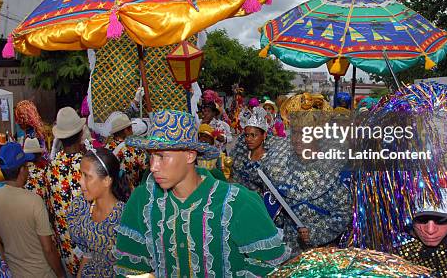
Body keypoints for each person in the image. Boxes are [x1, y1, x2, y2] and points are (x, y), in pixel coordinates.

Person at [114, 110, 289, 277]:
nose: (153, 166)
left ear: (190, 156)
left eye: (161, 156)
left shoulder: (236, 202)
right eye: (150, 156)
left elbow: (272, 266)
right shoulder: (143, 200)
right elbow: (131, 267)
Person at [231, 106, 352, 256]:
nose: (297, 139)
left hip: (321, 254)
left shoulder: (332, 168)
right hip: (288, 248)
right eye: (295, 133)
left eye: (304, 134)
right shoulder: (279, 164)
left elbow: (343, 214)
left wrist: (315, 232)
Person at [0, 142, 64, 277]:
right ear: (22, 170)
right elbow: (48, 249)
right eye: (26, 166)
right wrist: (60, 274)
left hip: (13, 272)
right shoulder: (34, 201)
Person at [67, 147, 128, 277]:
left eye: (87, 176)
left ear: (106, 181)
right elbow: (88, 254)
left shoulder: (123, 218)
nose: (80, 182)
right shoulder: (83, 207)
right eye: (81, 174)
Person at [46, 107, 85, 276]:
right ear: (81, 133)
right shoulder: (88, 165)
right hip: (89, 249)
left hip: (66, 251)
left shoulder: (50, 169)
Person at [103, 112, 147, 189]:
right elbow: (146, 170)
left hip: (112, 191)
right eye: (131, 128)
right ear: (126, 130)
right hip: (130, 192)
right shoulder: (135, 150)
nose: (132, 131)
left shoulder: (106, 148)